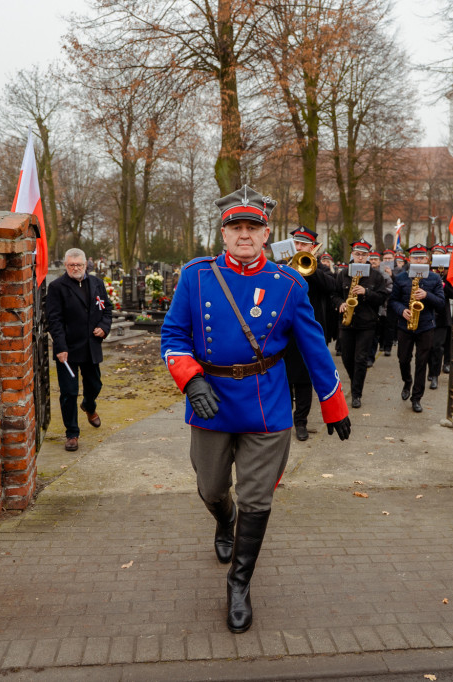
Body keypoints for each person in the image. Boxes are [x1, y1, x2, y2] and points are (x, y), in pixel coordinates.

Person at [160, 185, 352, 633]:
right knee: (210, 488)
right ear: (224, 234)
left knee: (258, 497)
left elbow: (314, 349)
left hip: (266, 402)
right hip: (210, 398)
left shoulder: (289, 284)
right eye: (235, 227)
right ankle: (223, 519)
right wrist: (190, 379)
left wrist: (333, 405)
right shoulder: (196, 277)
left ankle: (239, 583)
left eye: (252, 227)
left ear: (266, 235)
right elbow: (172, 337)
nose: (243, 235)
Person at [47, 248, 113, 451]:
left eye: (79, 265)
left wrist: (104, 327)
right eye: (71, 265)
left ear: (86, 265)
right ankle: (72, 433)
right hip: (68, 349)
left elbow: (107, 310)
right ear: (65, 266)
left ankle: (89, 406)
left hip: (91, 346)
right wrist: (60, 346)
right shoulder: (57, 287)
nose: (75, 268)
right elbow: (54, 319)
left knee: (95, 385)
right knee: (68, 392)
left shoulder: (97, 283)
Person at [285, 227, 337, 441]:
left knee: (305, 380)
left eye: (303, 245)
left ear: (312, 247)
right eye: (296, 244)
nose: (298, 248)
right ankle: (283, 419)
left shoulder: (318, 268)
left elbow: (332, 286)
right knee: (284, 377)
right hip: (285, 331)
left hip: (309, 332)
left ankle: (301, 422)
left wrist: (310, 269)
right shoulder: (281, 267)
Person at [389, 244, 445, 412]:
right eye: (415, 258)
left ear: (427, 259)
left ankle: (416, 397)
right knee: (403, 359)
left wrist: (427, 295)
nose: (419, 260)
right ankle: (407, 381)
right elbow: (393, 301)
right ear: (410, 259)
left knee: (422, 362)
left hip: (426, 326)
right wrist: (402, 310)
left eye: (422, 257)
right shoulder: (401, 278)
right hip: (405, 325)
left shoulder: (435, 279)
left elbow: (441, 303)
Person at [333, 239, 389, 408]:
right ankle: (355, 379)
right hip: (346, 322)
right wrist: (340, 304)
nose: (360, 257)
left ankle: (356, 394)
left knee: (361, 358)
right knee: (347, 357)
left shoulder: (376, 276)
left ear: (368, 256)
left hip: (367, 323)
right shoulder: (343, 274)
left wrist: (367, 292)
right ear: (352, 255)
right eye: (357, 254)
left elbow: (382, 298)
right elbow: (334, 295)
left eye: (363, 255)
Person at [427, 244, 453, 389]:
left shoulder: (448, 275)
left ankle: (435, 375)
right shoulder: (426, 271)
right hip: (427, 314)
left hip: (442, 315)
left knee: (438, 347)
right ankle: (430, 370)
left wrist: (443, 284)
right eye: (435, 253)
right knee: (428, 347)